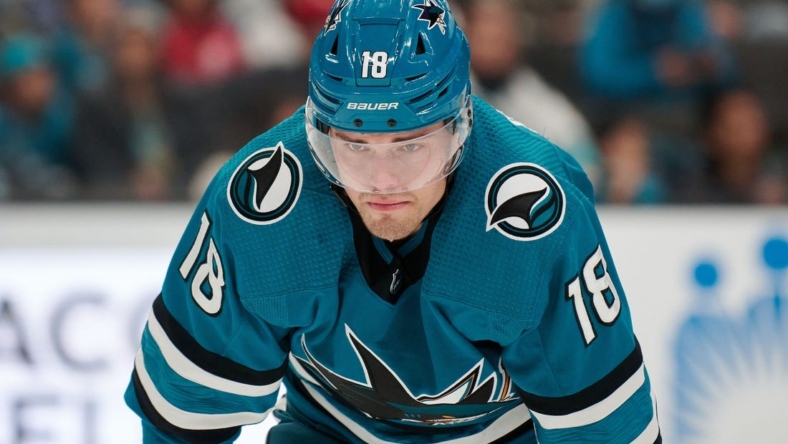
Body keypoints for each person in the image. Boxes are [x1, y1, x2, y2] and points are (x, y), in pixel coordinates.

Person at [124, 1, 661, 442]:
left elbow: (604, 432)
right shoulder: (259, 202)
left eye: (409, 146)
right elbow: (183, 419)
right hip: (328, 433)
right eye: (353, 145)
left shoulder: (539, 214)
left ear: (461, 126)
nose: (381, 182)